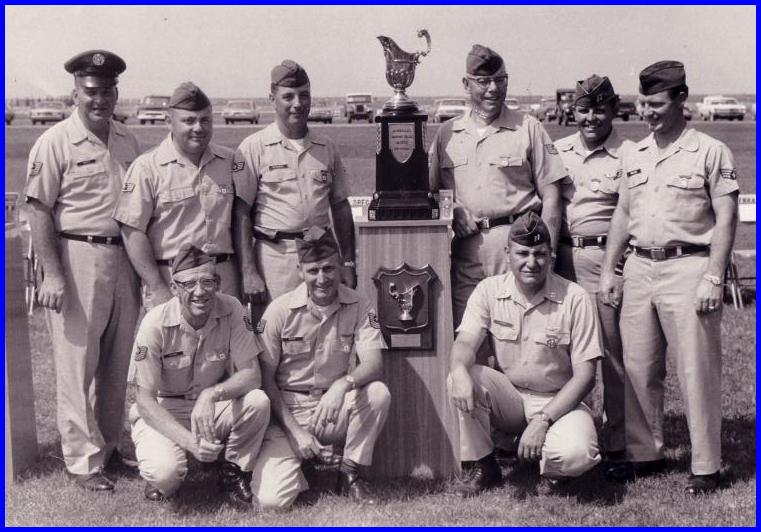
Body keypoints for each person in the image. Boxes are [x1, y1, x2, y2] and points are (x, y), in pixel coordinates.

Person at [599, 61, 738, 494]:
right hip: (640, 268)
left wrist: (714, 277)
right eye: (643, 103)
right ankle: (645, 455)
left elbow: (727, 215)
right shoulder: (633, 153)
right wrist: (610, 269)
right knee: (638, 368)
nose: (648, 112)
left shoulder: (710, 151)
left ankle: (705, 465)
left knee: (695, 370)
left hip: (689, 265)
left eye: (657, 103)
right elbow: (623, 212)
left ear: (681, 99)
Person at [22, 49, 141, 491]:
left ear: (116, 91)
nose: (100, 99)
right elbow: (37, 210)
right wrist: (52, 274)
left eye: (107, 90)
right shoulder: (54, 142)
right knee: (77, 363)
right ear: (75, 91)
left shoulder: (128, 139)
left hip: (123, 258)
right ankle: (81, 460)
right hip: (77, 258)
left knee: (115, 360)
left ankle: (108, 448)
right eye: (91, 91)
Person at [447, 212, 602, 497]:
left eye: (540, 254)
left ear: (551, 255)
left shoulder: (575, 297)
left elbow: (585, 376)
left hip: (560, 400)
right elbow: (465, 344)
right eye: (523, 253)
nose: (531, 262)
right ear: (507, 254)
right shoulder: (488, 290)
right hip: (512, 398)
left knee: (577, 455)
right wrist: (458, 371)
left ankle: (553, 469)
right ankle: (486, 465)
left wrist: (543, 420)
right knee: (462, 375)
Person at [428, 44, 567, 335]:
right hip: (468, 255)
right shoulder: (447, 134)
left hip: (518, 251)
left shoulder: (528, 128)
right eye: (483, 81)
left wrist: (548, 257)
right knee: (469, 341)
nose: (493, 89)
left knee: (520, 339)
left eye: (500, 80)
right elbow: (430, 195)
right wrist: (451, 208)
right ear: (466, 84)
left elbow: (552, 197)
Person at [250, 227, 390, 509]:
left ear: (339, 265)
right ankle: (303, 463)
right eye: (313, 271)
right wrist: (296, 433)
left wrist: (342, 385)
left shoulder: (360, 304)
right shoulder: (278, 312)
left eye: (328, 268)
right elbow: (266, 383)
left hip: (332, 406)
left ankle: (349, 472)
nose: (322, 279)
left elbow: (374, 365)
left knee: (377, 393)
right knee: (271, 503)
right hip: (289, 411)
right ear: (300, 271)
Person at [128, 244, 270, 504]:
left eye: (207, 281)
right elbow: (144, 401)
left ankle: (233, 470)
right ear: (174, 288)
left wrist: (211, 394)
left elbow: (252, 375)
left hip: (211, 406)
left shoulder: (233, 309)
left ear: (217, 283)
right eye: (189, 284)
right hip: (165, 408)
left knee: (257, 401)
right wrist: (190, 443)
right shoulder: (154, 323)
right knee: (165, 475)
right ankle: (167, 470)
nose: (200, 291)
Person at [232, 60, 356, 320]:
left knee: (323, 330)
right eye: (288, 96)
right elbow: (241, 212)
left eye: (304, 95)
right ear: (272, 99)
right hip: (276, 259)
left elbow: (341, 206)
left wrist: (347, 262)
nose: (297, 104)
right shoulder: (253, 147)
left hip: (322, 256)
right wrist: (248, 271)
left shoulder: (327, 147)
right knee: (275, 332)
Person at [554, 74, 631, 464]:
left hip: (606, 262)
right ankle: (570, 433)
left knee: (613, 355)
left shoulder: (631, 153)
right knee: (567, 355)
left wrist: (616, 268)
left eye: (599, 109)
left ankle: (618, 441)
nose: (591, 118)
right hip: (563, 261)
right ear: (573, 110)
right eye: (583, 109)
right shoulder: (557, 150)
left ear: (614, 110)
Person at [114, 82, 240, 307]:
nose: (198, 128)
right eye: (189, 121)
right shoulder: (147, 167)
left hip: (223, 280)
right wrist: (156, 287)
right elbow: (132, 230)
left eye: (205, 120)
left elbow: (243, 218)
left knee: (226, 342)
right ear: (168, 122)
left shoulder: (230, 161)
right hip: (174, 282)